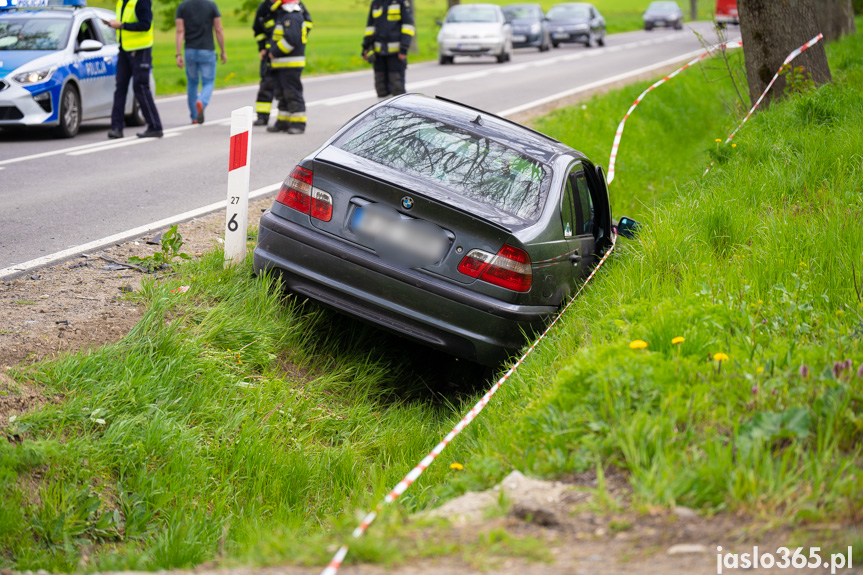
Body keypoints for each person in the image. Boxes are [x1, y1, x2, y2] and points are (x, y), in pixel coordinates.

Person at [105, 0, 163, 139]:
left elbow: (145, 24)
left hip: (140, 50)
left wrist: (122, 25)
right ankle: (117, 128)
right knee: (120, 88)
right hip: (125, 49)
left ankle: (155, 126)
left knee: (140, 87)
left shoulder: (142, 1)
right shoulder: (122, 2)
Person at [175, 0, 227, 125]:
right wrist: (223, 51)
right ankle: (202, 102)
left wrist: (178, 54)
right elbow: (218, 29)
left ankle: (194, 116)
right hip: (207, 50)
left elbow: (180, 31)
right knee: (208, 81)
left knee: (192, 83)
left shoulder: (182, 6)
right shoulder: (211, 5)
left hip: (190, 50)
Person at [266, 0, 312, 134]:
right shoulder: (285, 16)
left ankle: (298, 124)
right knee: (282, 94)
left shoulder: (292, 16)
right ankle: (283, 122)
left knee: (292, 94)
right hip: (282, 64)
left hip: (290, 64)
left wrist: (274, 52)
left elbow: (292, 40)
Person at [362, 0, 414, 99]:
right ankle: (383, 112)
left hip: (396, 54)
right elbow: (370, 27)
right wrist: (365, 47)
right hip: (378, 54)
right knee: (380, 86)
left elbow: (408, 26)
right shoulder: (376, 3)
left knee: (397, 86)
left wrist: (404, 48)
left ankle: (399, 111)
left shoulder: (401, 2)